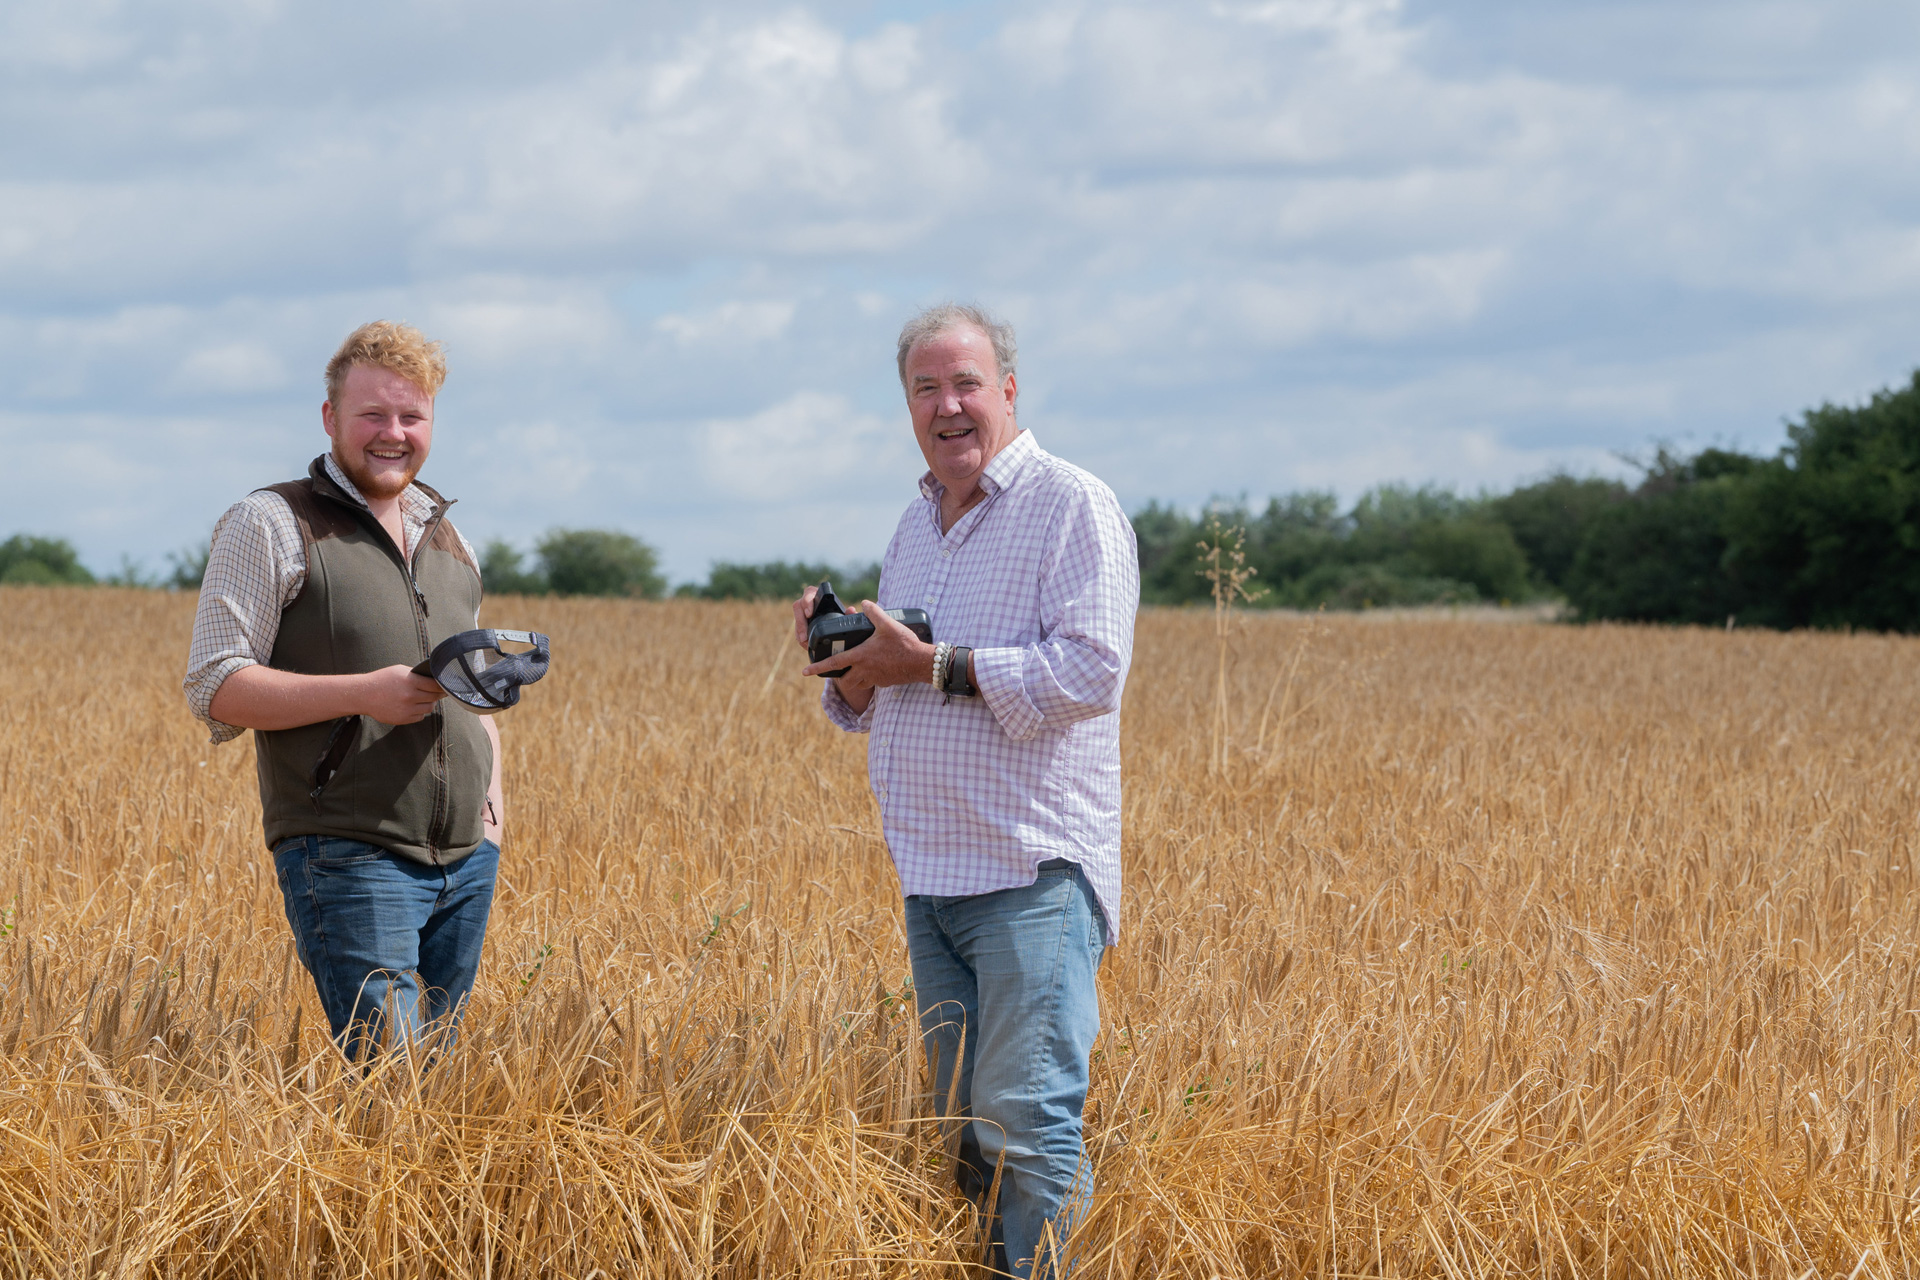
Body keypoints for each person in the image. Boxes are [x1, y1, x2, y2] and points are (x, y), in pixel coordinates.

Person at [792, 303, 1138, 1278]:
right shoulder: (918, 524)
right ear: (907, 404)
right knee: (969, 1137)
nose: (948, 405)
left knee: (1027, 1122)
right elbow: (889, 691)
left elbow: (1091, 670)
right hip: (934, 875)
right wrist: (851, 664)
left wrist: (932, 663)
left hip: (1031, 872)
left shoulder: (1073, 504)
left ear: (1009, 391)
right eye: (926, 388)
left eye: (966, 383)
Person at [182, 320, 504, 1060]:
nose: (393, 433)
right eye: (373, 415)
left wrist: (493, 817)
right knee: (393, 1082)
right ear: (331, 420)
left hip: (465, 857)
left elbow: (471, 693)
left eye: (411, 416)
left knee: (441, 1080)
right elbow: (215, 684)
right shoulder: (270, 522)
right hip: (349, 853)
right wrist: (366, 691)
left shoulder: (450, 538)